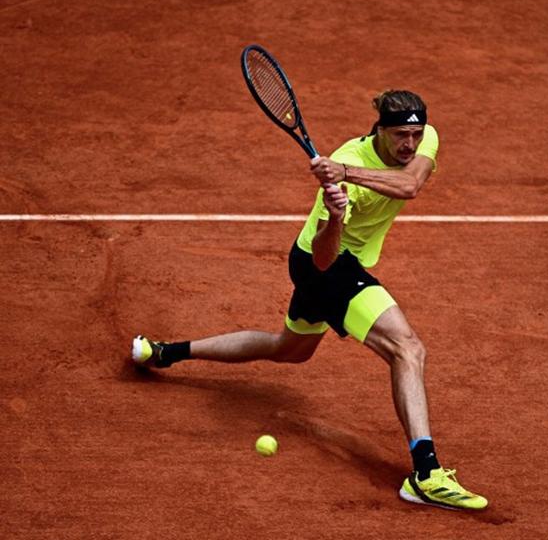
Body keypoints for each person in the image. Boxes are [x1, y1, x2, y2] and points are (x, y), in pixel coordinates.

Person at [132, 90, 488, 510]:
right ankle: (425, 474)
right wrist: (337, 215)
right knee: (407, 348)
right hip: (326, 264)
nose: (409, 145)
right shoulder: (341, 181)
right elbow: (323, 258)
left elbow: (410, 186)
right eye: (399, 136)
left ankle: (164, 352)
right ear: (380, 131)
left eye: (414, 134)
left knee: (289, 349)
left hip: (334, 259)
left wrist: (345, 173)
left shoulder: (414, 144)